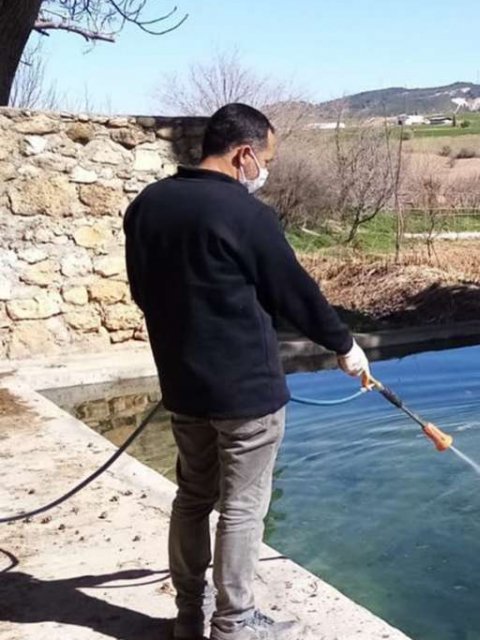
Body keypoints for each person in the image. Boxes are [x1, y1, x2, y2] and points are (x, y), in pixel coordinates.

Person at [124, 103, 369, 640]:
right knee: (241, 508)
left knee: (192, 496)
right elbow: (294, 293)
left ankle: (189, 618)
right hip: (246, 393)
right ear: (243, 154)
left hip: (183, 385)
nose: (265, 171)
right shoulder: (245, 215)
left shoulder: (147, 204)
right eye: (267, 159)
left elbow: (141, 291)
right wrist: (345, 346)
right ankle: (234, 625)